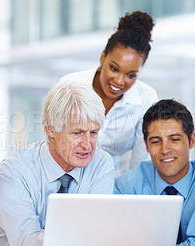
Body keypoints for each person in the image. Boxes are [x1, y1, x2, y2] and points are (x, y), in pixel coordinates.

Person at [0, 80, 115, 246]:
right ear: (50, 129)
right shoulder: (13, 173)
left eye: (94, 133)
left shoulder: (101, 164)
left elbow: (96, 236)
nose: (87, 144)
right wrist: (86, 242)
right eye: (77, 133)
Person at [115, 99, 195, 246]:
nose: (165, 150)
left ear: (192, 140)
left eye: (174, 139)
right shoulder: (126, 186)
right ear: (146, 145)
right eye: (156, 141)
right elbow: (114, 245)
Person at [61, 11, 158, 176]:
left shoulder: (146, 98)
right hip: (69, 183)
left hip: (118, 188)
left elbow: (141, 163)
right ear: (103, 57)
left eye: (131, 75)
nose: (120, 81)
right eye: (114, 68)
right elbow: (57, 144)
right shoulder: (68, 86)